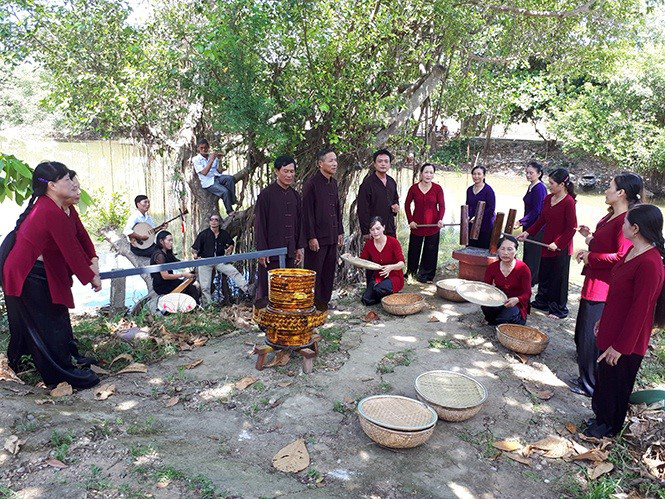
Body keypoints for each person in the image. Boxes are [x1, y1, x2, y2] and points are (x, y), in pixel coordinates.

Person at [3, 161, 102, 389]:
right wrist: (91, 277)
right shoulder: (47, 209)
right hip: (27, 274)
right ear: (52, 186)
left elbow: (80, 239)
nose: (72, 184)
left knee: (57, 317)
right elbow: (71, 251)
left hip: (42, 270)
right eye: (66, 180)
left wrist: (93, 260)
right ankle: (60, 375)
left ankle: (65, 359)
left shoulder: (57, 207)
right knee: (46, 325)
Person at [585, 204, 665, 438]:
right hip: (613, 327)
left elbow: (641, 310)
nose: (622, 225)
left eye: (626, 221)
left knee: (617, 385)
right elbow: (618, 295)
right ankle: (600, 418)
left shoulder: (650, 263)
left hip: (627, 341)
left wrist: (620, 347)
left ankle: (608, 427)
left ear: (636, 228)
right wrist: (604, 320)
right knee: (605, 380)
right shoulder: (632, 252)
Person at [569, 173, 643, 397]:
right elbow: (604, 244)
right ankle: (585, 376)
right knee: (582, 332)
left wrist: (591, 256)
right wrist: (589, 238)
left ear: (621, 193)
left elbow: (621, 256)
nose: (605, 190)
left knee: (592, 336)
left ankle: (590, 384)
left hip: (604, 287)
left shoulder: (625, 221)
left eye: (609, 187)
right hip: (593, 280)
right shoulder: (609, 216)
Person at [517, 168, 577, 319]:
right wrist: (528, 232)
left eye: (552, 183)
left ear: (562, 184)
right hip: (546, 243)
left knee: (558, 278)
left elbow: (572, 228)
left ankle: (558, 308)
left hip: (561, 247)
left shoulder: (569, 202)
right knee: (544, 273)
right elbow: (542, 220)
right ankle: (542, 301)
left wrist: (558, 244)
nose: (549, 186)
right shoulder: (548, 199)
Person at [254, 155, 306, 309]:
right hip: (271, 250)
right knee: (268, 285)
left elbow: (300, 223)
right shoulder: (266, 195)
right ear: (277, 171)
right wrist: (262, 251)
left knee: (287, 284)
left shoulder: (295, 195)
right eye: (285, 171)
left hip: (290, 249)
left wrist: (299, 247)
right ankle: (265, 317)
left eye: (292, 171)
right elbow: (260, 224)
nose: (289, 175)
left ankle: (284, 315)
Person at [303, 149, 344, 311]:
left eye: (335, 160)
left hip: (332, 235)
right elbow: (307, 213)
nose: (334, 164)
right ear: (321, 164)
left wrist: (340, 231)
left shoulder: (333, 183)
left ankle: (323, 303)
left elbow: (337, 208)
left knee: (328, 272)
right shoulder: (311, 184)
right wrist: (311, 237)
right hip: (317, 238)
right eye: (330, 161)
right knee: (314, 272)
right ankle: (310, 304)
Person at [192, 214, 249, 306]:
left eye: (216, 220)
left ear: (219, 222)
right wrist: (195, 255)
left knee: (233, 271)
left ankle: (246, 290)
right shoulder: (203, 234)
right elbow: (194, 248)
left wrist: (230, 248)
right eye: (212, 220)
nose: (213, 221)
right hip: (205, 260)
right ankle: (208, 305)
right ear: (209, 222)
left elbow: (231, 243)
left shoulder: (224, 234)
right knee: (205, 286)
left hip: (219, 259)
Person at [404, 163, 445, 283]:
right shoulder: (413, 188)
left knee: (430, 251)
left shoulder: (437, 188)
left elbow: (442, 206)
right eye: (426, 172)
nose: (428, 175)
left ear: (433, 174)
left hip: (433, 226)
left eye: (431, 173)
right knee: (413, 250)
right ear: (421, 173)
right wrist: (410, 220)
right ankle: (411, 273)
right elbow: (407, 205)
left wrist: (440, 219)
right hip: (417, 226)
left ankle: (426, 275)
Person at [481, 236, 532, 325]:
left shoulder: (523, 268)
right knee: (485, 307)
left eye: (509, 249)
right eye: (502, 249)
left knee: (505, 318)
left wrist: (517, 299)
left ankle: (506, 319)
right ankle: (495, 321)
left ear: (516, 251)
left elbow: (527, 293)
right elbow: (486, 286)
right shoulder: (492, 267)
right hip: (499, 300)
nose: (505, 253)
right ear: (498, 251)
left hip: (516, 303)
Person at [359, 217, 405, 305]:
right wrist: (351, 259)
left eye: (378, 228)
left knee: (379, 289)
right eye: (372, 230)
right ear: (369, 231)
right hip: (378, 277)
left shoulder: (393, 242)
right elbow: (362, 261)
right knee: (366, 300)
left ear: (383, 227)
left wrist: (391, 267)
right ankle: (385, 298)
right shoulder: (369, 244)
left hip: (394, 276)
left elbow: (402, 263)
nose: (375, 232)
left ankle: (391, 293)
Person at [515, 161, 547, 286]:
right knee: (528, 254)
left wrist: (522, 221)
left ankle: (530, 282)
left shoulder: (539, 188)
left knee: (533, 256)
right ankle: (526, 279)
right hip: (529, 225)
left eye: (531, 173)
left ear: (539, 174)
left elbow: (537, 210)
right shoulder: (531, 186)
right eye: (527, 173)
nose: (528, 175)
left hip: (537, 227)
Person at [357, 149, 400, 239]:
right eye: (380, 161)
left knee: (391, 252)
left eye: (386, 161)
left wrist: (396, 206)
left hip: (390, 227)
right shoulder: (367, 184)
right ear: (374, 164)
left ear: (390, 164)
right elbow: (362, 210)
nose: (383, 164)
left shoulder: (391, 181)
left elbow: (395, 199)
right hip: (374, 231)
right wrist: (366, 232)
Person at [150, 231, 200, 302]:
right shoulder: (159, 255)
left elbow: (179, 263)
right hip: (162, 285)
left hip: (169, 282)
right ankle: (196, 308)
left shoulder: (167, 253)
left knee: (190, 285)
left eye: (172, 240)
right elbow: (165, 276)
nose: (171, 243)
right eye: (169, 240)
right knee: (191, 288)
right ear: (161, 241)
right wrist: (183, 274)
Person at [192, 138, 237, 216]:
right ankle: (229, 211)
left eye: (205, 147)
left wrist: (219, 159)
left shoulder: (212, 156)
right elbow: (204, 173)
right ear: (198, 148)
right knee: (224, 191)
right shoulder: (196, 159)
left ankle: (232, 200)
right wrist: (211, 160)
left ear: (208, 147)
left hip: (217, 177)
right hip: (208, 182)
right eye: (201, 148)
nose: (203, 149)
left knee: (230, 178)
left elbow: (218, 170)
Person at [465, 165, 496, 249]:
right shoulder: (469, 190)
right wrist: (467, 216)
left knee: (483, 248)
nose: (476, 176)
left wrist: (478, 218)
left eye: (479, 174)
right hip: (471, 223)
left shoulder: (488, 190)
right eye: (474, 174)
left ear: (484, 176)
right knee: (470, 248)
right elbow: (467, 204)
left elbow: (491, 208)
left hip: (485, 224)